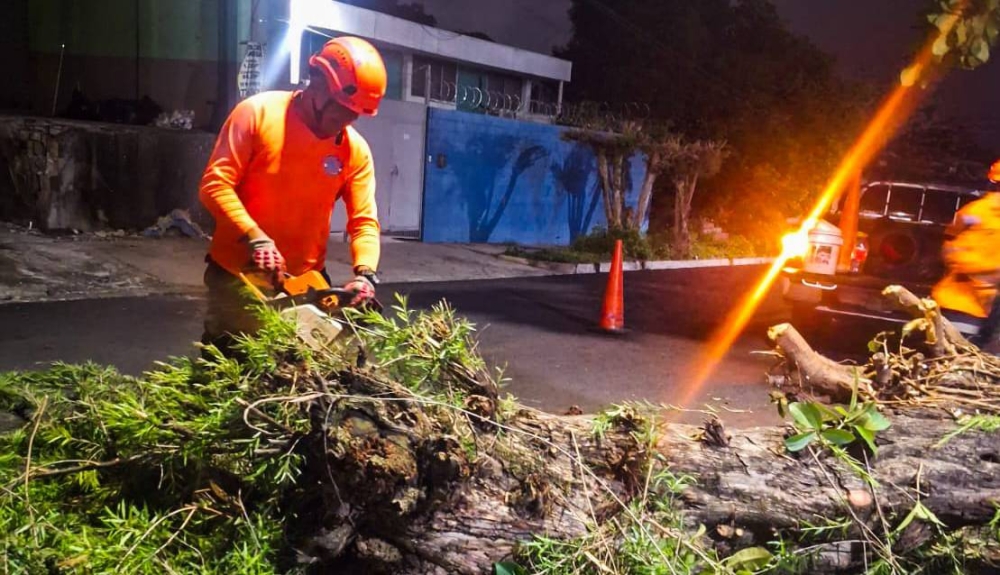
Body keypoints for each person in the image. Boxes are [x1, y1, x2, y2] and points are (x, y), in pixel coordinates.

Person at [199, 36, 386, 349]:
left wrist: (365, 274)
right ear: (318, 83)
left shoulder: (355, 150)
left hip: (307, 281)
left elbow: (364, 222)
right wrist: (256, 237)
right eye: (342, 109)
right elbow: (215, 184)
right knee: (230, 365)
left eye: (355, 115)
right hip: (237, 272)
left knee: (309, 375)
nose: (347, 121)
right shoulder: (257, 114)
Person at [931, 159, 1000, 347]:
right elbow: (950, 249)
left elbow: (949, 245)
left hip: (977, 309)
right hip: (963, 305)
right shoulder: (977, 212)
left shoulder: (974, 211)